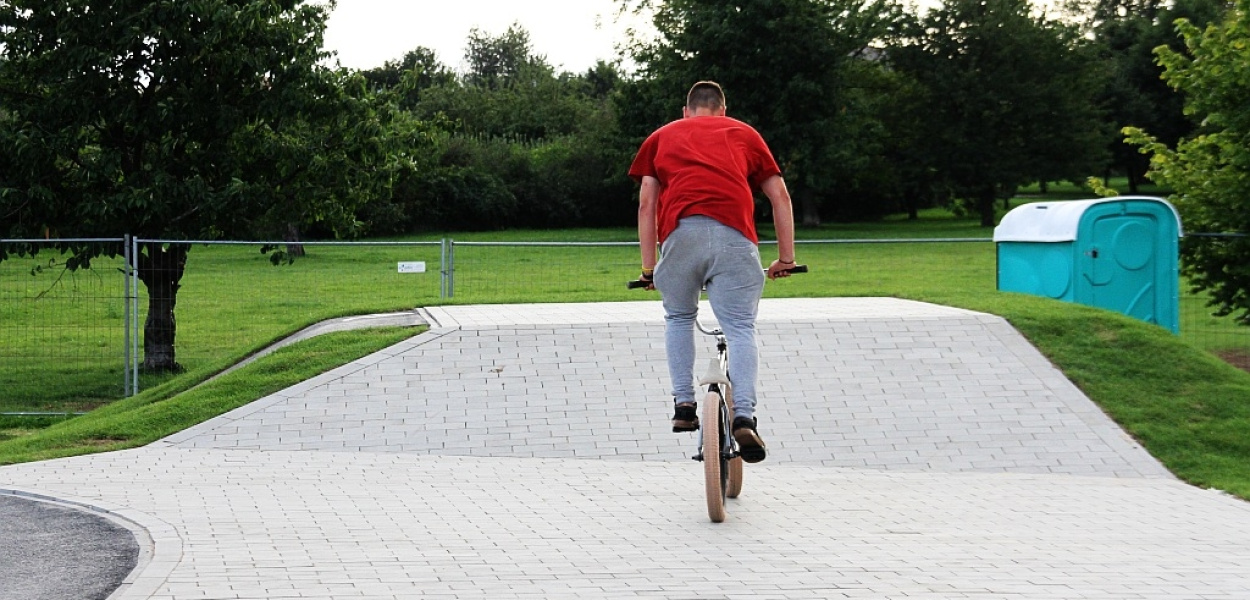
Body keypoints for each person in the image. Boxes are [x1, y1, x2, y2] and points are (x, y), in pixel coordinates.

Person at [629, 80, 797, 464]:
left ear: (685, 111)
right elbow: (780, 196)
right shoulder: (744, 133)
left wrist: (649, 268)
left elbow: (646, 205)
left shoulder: (661, 137)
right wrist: (785, 259)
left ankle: (684, 405)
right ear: (723, 110)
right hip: (735, 238)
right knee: (740, 328)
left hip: (680, 238)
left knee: (678, 316)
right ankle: (745, 416)